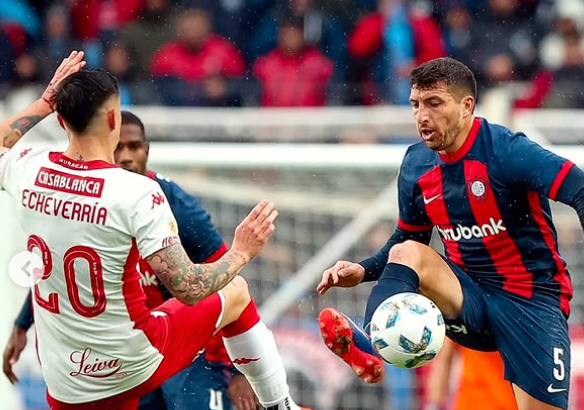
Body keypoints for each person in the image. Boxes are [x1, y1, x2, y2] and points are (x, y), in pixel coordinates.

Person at [0, 51, 310, 410]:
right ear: (114, 118)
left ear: (60, 120)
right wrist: (242, 251)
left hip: (63, 380)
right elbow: (191, 289)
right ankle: (281, 405)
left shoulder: (29, 169)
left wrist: (43, 101)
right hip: (130, 366)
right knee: (236, 290)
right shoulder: (137, 192)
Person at [316, 56, 583, 410]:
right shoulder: (416, 165)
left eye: (434, 103)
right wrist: (364, 270)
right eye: (415, 104)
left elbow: (579, 188)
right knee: (408, 252)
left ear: (466, 105)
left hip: (530, 301)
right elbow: (407, 240)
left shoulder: (506, 151)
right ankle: (370, 343)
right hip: (468, 299)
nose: (422, 116)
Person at [2, 110, 260, 410]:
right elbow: (57, 272)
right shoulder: (89, 200)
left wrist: (238, 370)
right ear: (104, 146)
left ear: (147, 150)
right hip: (123, 347)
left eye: (134, 147)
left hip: (187, 345)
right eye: (118, 148)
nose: (126, 156)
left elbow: (226, 283)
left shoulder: (175, 205)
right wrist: (22, 324)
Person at [424, 338, 518, 410]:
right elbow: (444, 361)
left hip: (501, 402)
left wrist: (434, 405)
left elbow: (444, 361)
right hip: (474, 401)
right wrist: (434, 404)